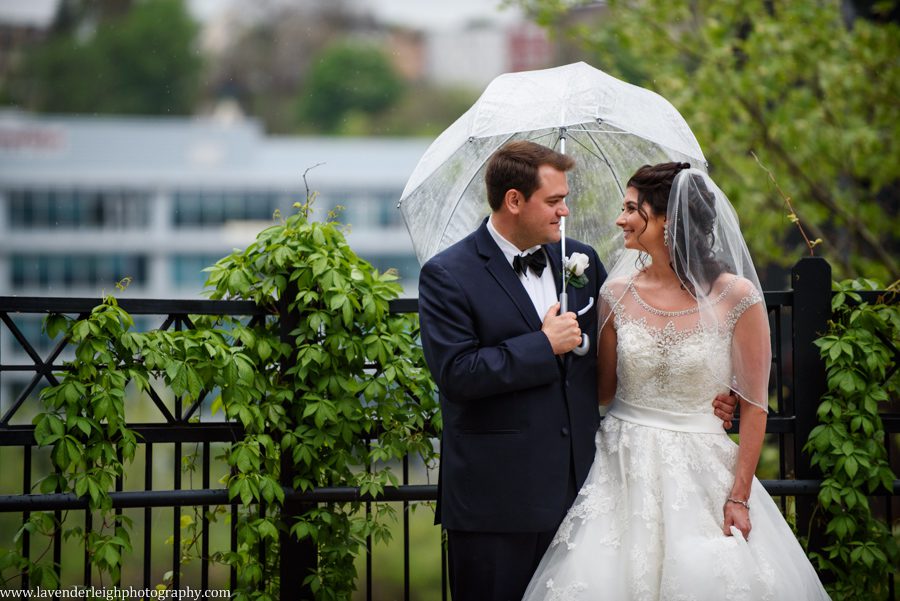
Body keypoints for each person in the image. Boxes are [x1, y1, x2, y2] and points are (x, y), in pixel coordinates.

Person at [418, 143, 738, 601]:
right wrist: (541, 346)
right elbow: (457, 374)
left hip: (586, 496)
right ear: (514, 200)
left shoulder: (580, 261)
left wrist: (704, 392)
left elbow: (623, 352)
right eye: (554, 201)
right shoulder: (447, 274)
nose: (565, 211)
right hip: (496, 503)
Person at [522, 162, 831, 600]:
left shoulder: (737, 296)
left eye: (632, 208)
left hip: (702, 469)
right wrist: (568, 343)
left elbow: (756, 405)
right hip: (621, 466)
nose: (620, 219)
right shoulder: (615, 292)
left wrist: (739, 496)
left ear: (668, 219)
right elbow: (603, 392)